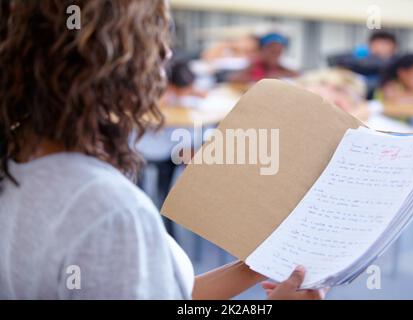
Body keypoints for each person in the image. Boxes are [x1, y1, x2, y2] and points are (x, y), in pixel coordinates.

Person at [0, 0, 326, 300]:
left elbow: (169, 295)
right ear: (114, 63)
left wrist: (250, 269)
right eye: (154, 36)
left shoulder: (19, 166)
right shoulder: (110, 210)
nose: (167, 54)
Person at [229, 32, 299, 83]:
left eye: (278, 52)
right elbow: (234, 79)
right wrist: (265, 78)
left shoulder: (281, 67)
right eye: (272, 51)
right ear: (262, 50)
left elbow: (297, 75)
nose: (274, 55)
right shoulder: (253, 63)